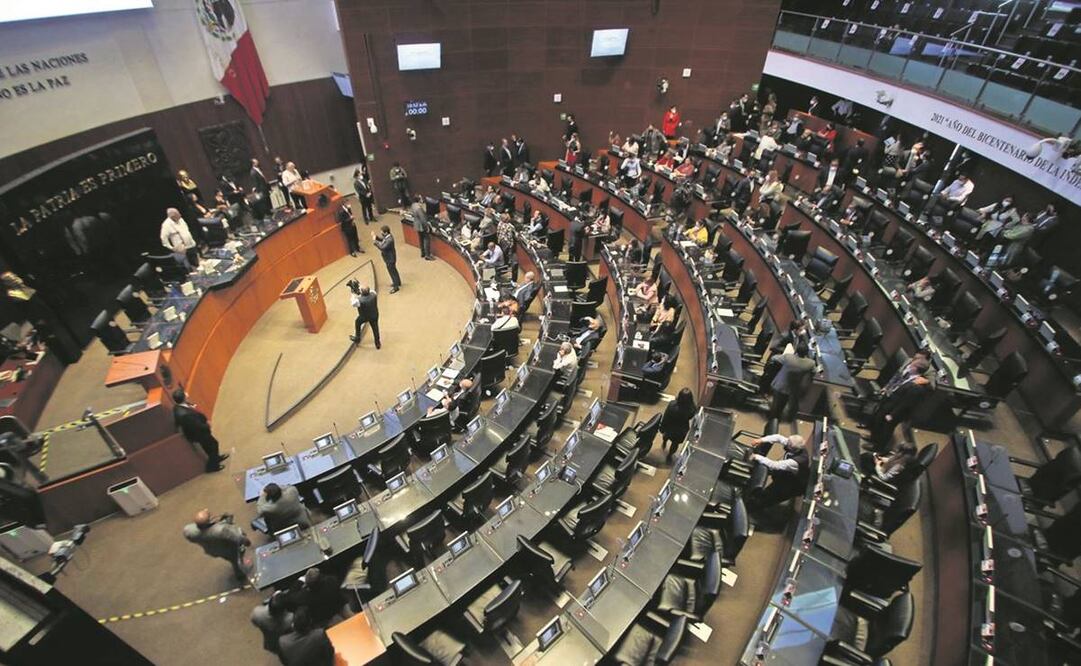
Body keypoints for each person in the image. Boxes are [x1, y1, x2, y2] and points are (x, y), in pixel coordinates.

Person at [868, 351, 934, 447]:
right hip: (890, 399)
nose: (910, 364)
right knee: (879, 419)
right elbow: (897, 378)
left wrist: (892, 414)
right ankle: (873, 439)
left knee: (887, 428)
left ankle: (879, 446)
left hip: (896, 410)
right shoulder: (908, 372)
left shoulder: (916, 387)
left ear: (915, 369)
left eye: (912, 365)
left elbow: (905, 404)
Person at [182, 509, 250, 580]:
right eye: (210, 517)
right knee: (235, 559)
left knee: (229, 558)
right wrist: (247, 542)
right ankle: (240, 574)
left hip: (212, 550)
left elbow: (191, 538)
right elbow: (238, 538)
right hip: (228, 549)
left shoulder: (188, 530)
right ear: (209, 522)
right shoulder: (221, 530)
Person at [747, 434, 809, 509]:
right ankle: (756, 500)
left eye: (788, 443)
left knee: (772, 497)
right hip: (786, 475)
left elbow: (774, 465)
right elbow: (778, 438)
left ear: (793, 448)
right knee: (768, 492)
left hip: (793, 485)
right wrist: (761, 440)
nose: (786, 442)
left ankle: (753, 509)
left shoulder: (796, 461)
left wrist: (756, 456)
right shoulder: (794, 445)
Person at [173, 388, 226, 472]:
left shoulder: (178, 407)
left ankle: (216, 459)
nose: (187, 394)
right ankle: (211, 467)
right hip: (199, 434)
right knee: (214, 445)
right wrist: (207, 425)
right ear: (183, 397)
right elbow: (196, 426)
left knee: (209, 447)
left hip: (198, 431)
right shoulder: (184, 415)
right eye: (185, 394)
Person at [768, 343, 815, 421]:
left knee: (776, 402)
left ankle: (772, 418)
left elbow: (774, 358)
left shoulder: (788, 358)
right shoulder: (810, 363)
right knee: (782, 403)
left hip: (779, 385)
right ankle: (777, 417)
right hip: (792, 388)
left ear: (796, 351)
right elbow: (814, 371)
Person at [251, 591, 294, 656]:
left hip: (271, 643)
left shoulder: (257, 613)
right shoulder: (290, 619)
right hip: (286, 643)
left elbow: (254, 623)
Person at [660, 388, 696, 463]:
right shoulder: (692, 408)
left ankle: (664, 442)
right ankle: (669, 455)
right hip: (681, 429)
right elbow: (690, 417)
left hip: (670, 426)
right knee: (675, 444)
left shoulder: (672, 405)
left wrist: (662, 427)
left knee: (666, 436)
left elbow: (666, 416)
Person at [350, 283, 380, 349]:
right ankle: (377, 343)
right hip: (374, 314)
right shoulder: (373, 294)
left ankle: (357, 337)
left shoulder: (359, 301)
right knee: (375, 328)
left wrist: (353, 294)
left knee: (357, 322)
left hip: (364, 316)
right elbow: (368, 290)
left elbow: (353, 303)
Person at [373, 226, 401, 293]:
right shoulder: (388, 236)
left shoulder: (389, 240)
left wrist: (375, 242)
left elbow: (382, 247)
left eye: (382, 232)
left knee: (392, 272)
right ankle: (398, 282)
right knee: (394, 270)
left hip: (390, 258)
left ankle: (396, 287)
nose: (381, 233)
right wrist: (376, 237)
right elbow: (382, 239)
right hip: (389, 257)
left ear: (385, 232)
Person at [409, 195, 433, 260]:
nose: (422, 199)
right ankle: (427, 255)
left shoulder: (413, 205)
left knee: (421, 238)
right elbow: (423, 219)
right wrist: (427, 227)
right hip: (421, 225)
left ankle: (423, 253)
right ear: (419, 200)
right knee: (426, 239)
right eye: (421, 198)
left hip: (416, 224)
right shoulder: (419, 208)